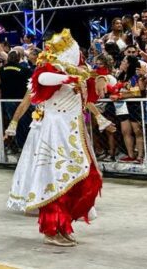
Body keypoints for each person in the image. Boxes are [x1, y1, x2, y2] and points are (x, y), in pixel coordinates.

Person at [25, 29, 102, 247]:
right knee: (57, 179)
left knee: (82, 178)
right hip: (56, 132)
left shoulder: (82, 70)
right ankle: (51, 230)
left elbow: (101, 77)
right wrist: (69, 77)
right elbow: (42, 78)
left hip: (74, 132)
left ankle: (64, 225)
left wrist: (102, 77)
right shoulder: (51, 69)